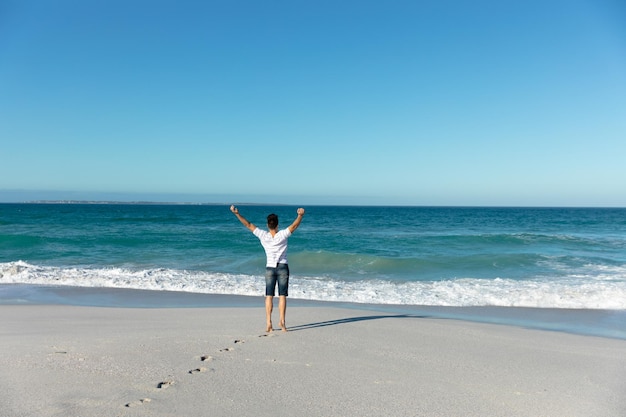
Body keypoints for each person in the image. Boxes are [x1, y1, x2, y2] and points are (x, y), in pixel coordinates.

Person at [230, 205, 305, 332]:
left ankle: (268, 322)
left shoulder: (263, 236)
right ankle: (282, 322)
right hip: (282, 267)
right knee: (282, 296)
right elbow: (294, 226)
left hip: (270, 268)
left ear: (267, 225)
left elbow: (248, 224)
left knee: (269, 296)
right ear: (277, 225)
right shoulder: (282, 235)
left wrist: (237, 213)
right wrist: (300, 215)